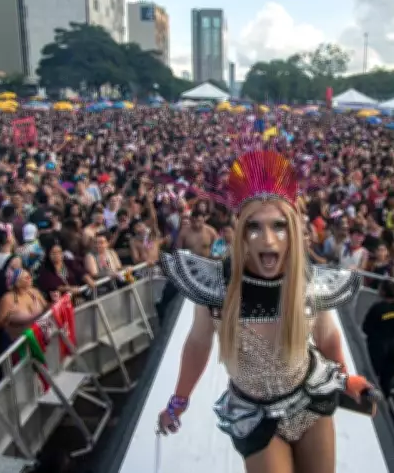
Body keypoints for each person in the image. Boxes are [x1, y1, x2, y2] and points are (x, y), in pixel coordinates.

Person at [156, 151, 375, 473]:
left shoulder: (307, 279)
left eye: (278, 226)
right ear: (240, 230)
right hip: (253, 415)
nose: (268, 239)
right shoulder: (218, 286)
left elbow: (327, 335)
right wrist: (179, 401)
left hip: (311, 400)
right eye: (255, 227)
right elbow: (198, 345)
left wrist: (347, 378)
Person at [362, 280, 394, 397]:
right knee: (387, 375)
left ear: (383, 292)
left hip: (378, 346)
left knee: (372, 372)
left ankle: (368, 397)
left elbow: (366, 327)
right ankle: (385, 398)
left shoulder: (377, 309)